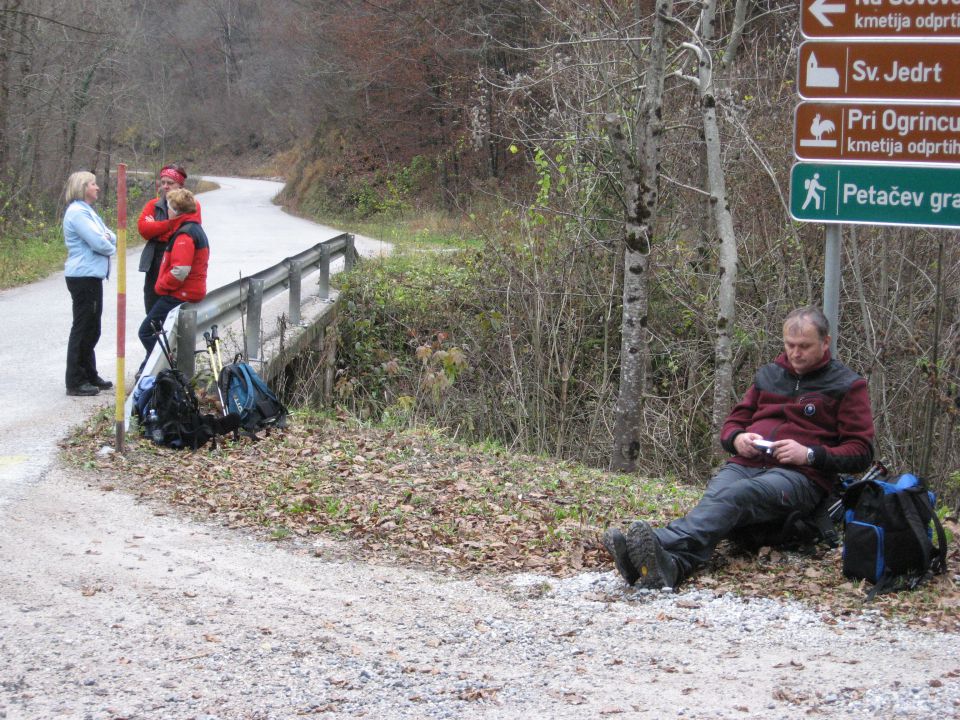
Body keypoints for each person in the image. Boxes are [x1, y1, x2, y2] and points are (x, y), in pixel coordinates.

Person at [603, 306, 875, 590]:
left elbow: (861, 452)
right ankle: (670, 567)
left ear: (825, 342)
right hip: (748, 464)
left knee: (738, 495)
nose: (795, 353)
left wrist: (808, 454)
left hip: (801, 478)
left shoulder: (847, 385)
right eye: (789, 345)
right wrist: (738, 440)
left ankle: (658, 540)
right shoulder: (769, 375)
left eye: (804, 346)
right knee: (720, 493)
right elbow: (732, 425)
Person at [137, 188, 209, 374]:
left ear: (175, 210)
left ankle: (169, 369)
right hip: (188, 292)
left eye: (168, 207)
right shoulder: (193, 228)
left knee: (147, 332)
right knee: (163, 334)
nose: (166, 211)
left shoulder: (185, 234)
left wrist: (161, 286)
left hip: (180, 294)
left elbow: (180, 271)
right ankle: (168, 368)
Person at [63, 171, 117, 396]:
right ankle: (75, 380)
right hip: (82, 276)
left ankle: (89, 373)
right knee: (84, 326)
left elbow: (110, 236)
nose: (97, 187)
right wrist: (106, 241)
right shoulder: (77, 212)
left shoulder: (88, 212)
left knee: (93, 327)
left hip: (92, 275)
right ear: (83, 187)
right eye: (93, 184)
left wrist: (107, 239)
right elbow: (101, 242)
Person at [138, 164, 200, 313]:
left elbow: (188, 231)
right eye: (163, 182)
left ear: (180, 185)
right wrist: (171, 224)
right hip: (154, 262)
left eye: (170, 183)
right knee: (152, 308)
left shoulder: (192, 206)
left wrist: (157, 227)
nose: (165, 186)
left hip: (176, 259)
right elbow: (144, 229)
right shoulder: (153, 204)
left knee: (172, 310)